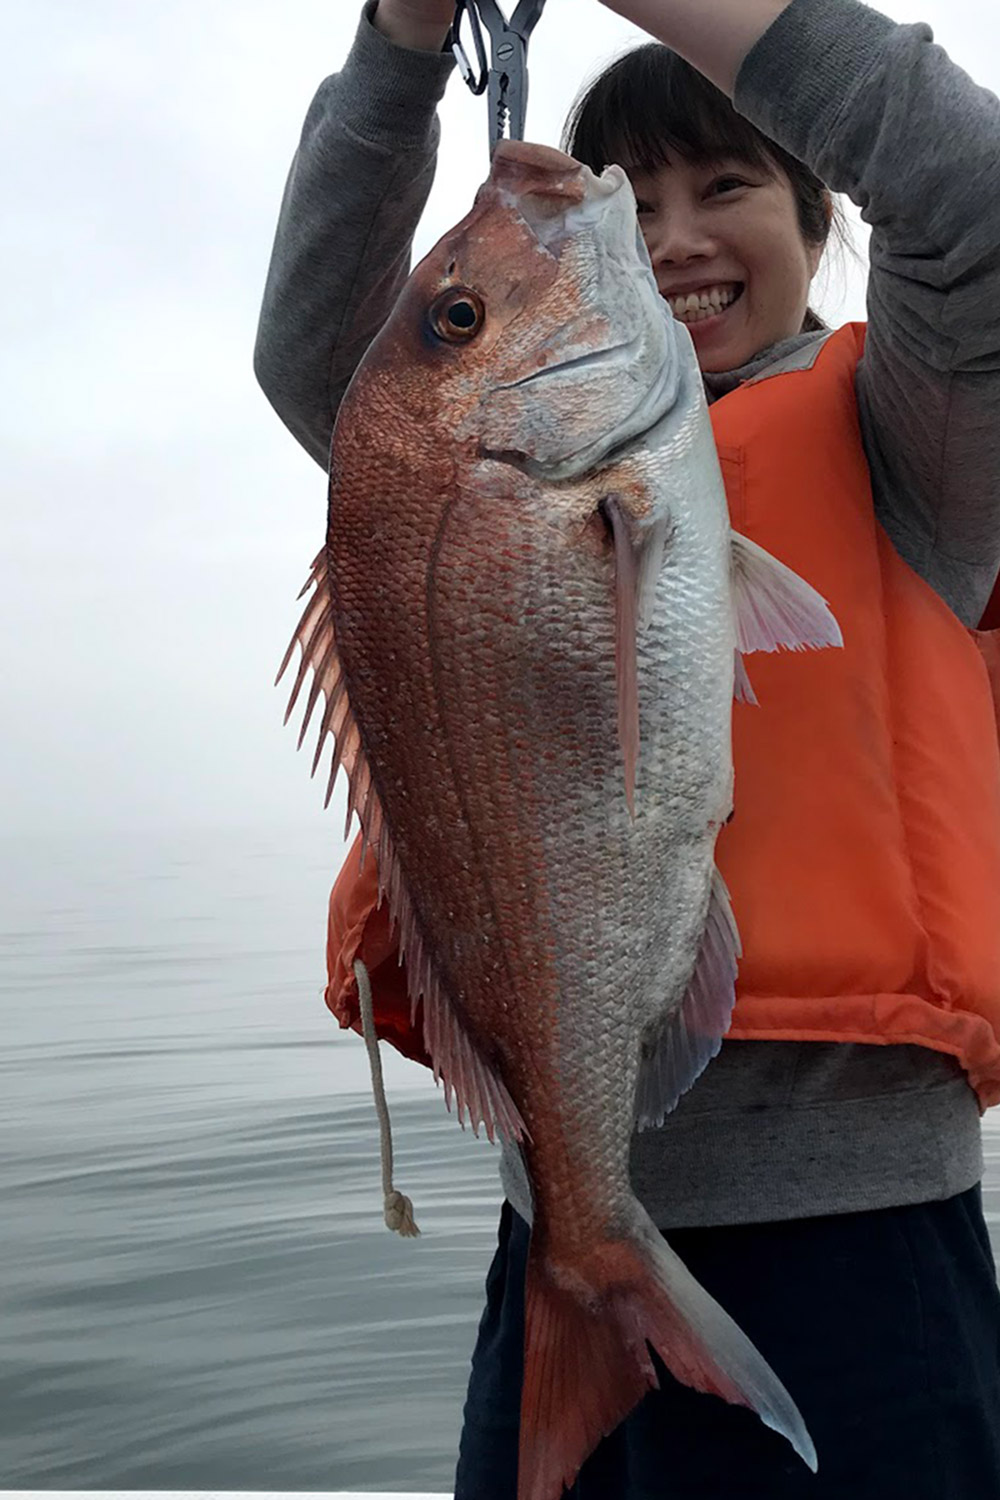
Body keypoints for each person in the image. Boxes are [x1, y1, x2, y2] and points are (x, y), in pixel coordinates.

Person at [254, 0, 1000, 1494]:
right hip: (559, 1236)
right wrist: (405, 40)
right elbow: (314, 351)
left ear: (824, 211)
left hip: (862, 1250)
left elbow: (971, 196)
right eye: (635, 199)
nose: (671, 237)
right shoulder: (461, 458)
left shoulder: (923, 444)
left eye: (724, 186)